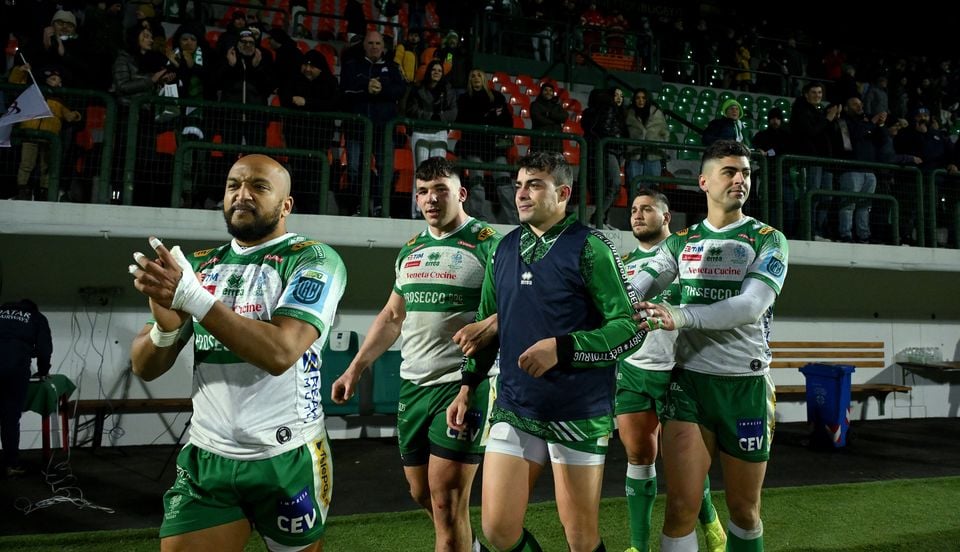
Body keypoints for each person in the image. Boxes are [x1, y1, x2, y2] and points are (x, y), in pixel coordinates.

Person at [128, 154, 347, 552]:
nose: (242, 195)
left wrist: (194, 299)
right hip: (207, 458)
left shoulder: (314, 259)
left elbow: (281, 353)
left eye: (259, 187)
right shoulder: (198, 266)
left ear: (286, 206)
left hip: (286, 456)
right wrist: (165, 328)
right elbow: (144, 367)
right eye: (233, 185)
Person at [447, 151, 646, 552]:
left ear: (563, 193)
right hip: (515, 405)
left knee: (581, 538)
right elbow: (488, 326)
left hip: (577, 411)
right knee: (498, 531)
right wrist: (467, 384)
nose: (522, 193)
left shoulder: (591, 247)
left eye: (535, 184)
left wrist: (563, 348)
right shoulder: (502, 250)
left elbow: (631, 329)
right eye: (519, 185)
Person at [331, 157, 499, 552]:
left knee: (446, 501)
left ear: (461, 194)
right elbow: (392, 315)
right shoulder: (411, 249)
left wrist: (491, 326)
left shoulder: (488, 244)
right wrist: (355, 369)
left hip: (462, 386)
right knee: (421, 492)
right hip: (414, 387)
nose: (430, 199)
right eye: (422, 191)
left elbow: (520, 305)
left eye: (440, 190)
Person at [628, 140, 789, 552]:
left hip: (746, 388)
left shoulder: (769, 239)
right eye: (729, 172)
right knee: (680, 506)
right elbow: (638, 287)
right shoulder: (680, 241)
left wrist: (680, 315)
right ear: (704, 181)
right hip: (689, 386)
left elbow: (750, 306)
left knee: (744, 510)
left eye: (746, 173)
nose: (740, 179)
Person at [616, 190, 725, 552]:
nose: (637, 215)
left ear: (666, 217)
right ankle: (638, 545)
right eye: (633, 209)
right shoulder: (625, 263)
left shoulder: (687, 255)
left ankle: (709, 520)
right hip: (632, 370)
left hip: (678, 369)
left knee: (683, 463)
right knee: (637, 455)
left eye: (647, 209)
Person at [0, 299, 53, 478]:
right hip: (14, 369)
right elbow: (45, 349)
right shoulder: (37, 317)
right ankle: (11, 464)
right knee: (10, 418)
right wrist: (43, 371)